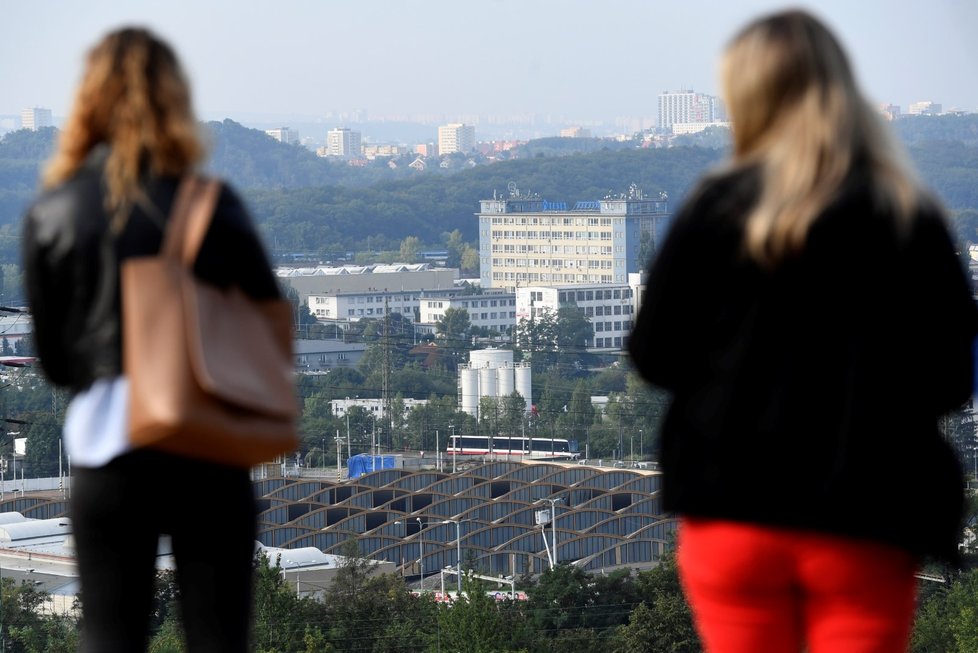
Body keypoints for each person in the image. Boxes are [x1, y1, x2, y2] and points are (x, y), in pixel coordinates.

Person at [629, 10, 977, 653]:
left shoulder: (715, 209)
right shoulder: (907, 213)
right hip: (868, 509)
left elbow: (654, 355)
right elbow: (953, 376)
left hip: (732, 506)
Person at [22, 28, 280, 652]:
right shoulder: (213, 207)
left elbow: (55, 363)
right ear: (175, 102)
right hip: (210, 447)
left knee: (111, 635)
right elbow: (267, 328)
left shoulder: (55, 213)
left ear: (88, 103)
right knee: (218, 639)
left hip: (109, 451)